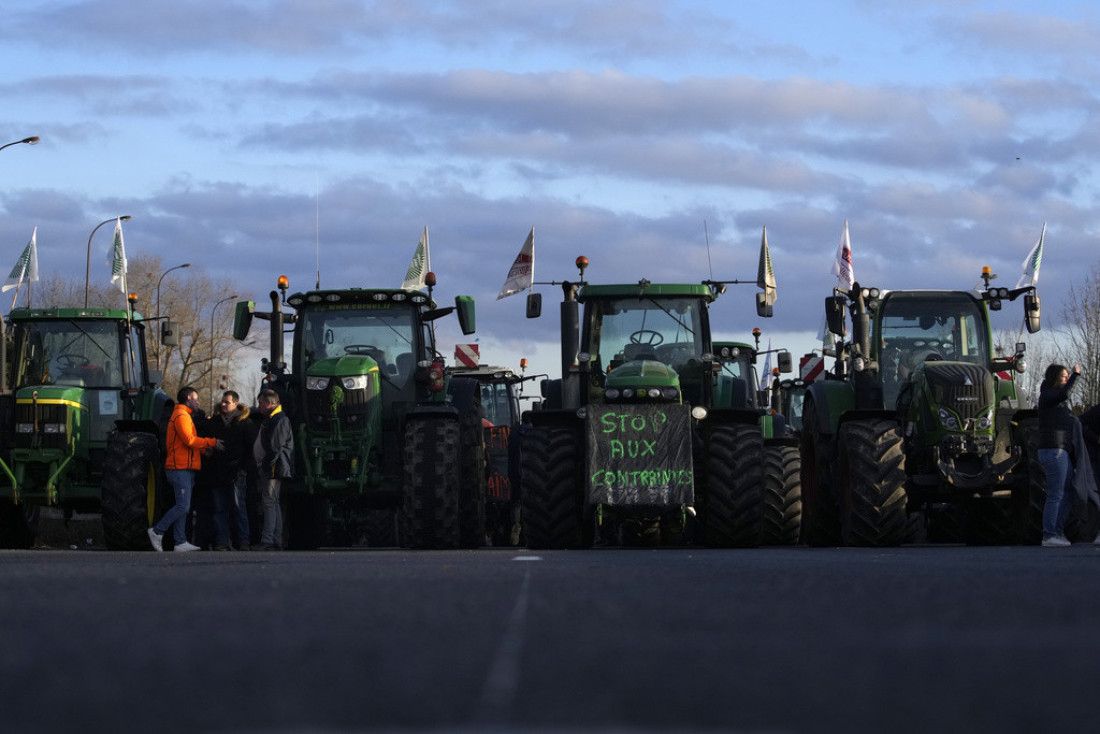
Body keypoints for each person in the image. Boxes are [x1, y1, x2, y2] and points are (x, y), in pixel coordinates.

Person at [148, 386, 222, 552]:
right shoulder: (181, 415)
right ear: (188, 398)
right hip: (179, 468)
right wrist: (211, 442)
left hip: (185, 468)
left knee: (183, 506)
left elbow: (187, 442)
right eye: (196, 398)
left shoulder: (185, 415)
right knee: (183, 506)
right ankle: (157, 531)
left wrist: (204, 450)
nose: (198, 402)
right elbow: (189, 440)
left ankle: (180, 541)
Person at [1036, 363, 1082, 547]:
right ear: (1055, 377)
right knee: (1056, 493)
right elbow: (1065, 393)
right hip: (1053, 450)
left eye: (1067, 376)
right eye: (1063, 376)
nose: (1065, 379)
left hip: (1060, 450)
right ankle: (1049, 535)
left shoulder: (1053, 397)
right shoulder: (1048, 395)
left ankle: (1058, 532)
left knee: (1068, 492)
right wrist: (1075, 375)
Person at [205, 390, 254, 551]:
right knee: (219, 509)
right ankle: (221, 542)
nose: (223, 404)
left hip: (236, 472)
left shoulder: (245, 424)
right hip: (217, 472)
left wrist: (243, 469)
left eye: (227, 402)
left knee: (239, 507)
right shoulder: (214, 423)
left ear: (235, 404)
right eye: (223, 401)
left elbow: (251, 449)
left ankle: (243, 541)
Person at [253, 388, 294, 551]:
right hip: (273, 467)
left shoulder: (279, 419)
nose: (259, 406)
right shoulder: (273, 418)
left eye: (261, 402)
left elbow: (275, 447)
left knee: (269, 502)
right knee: (273, 502)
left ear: (270, 403)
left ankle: (269, 539)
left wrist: (266, 466)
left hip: (273, 468)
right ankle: (275, 538)